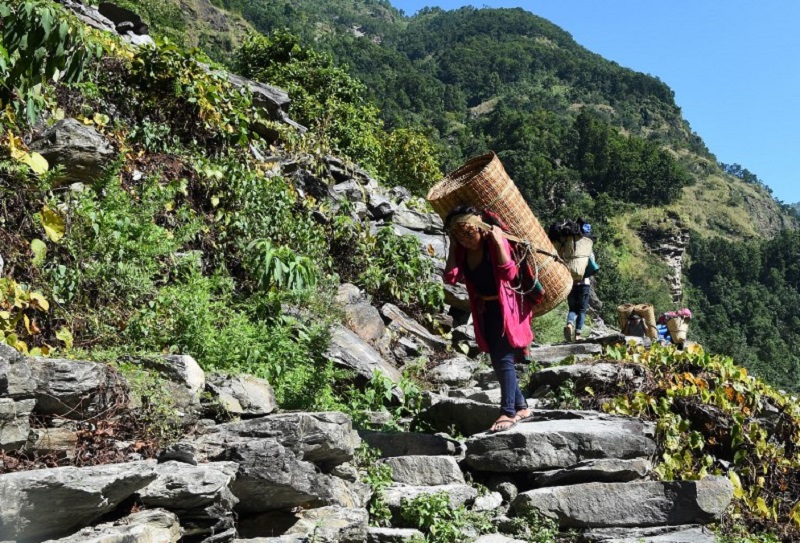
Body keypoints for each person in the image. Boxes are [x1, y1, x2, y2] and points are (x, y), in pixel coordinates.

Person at [443, 205, 534, 433]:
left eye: (469, 234)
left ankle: (508, 412)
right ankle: (521, 406)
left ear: (480, 229)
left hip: (507, 308)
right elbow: (451, 277)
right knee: (497, 359)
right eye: (460, 237)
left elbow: (509, 273)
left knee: (503, 358)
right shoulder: (462, 250)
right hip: (486, 310)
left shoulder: (494, 243)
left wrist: (498, 240)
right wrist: (454, 247)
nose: (466, 241)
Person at [559, 221, 597, 342]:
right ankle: (578, 334)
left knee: (572, 309)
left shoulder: (568, 248)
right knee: (581, 309)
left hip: (571, 283)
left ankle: (570, 323)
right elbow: (593, 267)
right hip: (584, 284)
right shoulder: (587, 251)